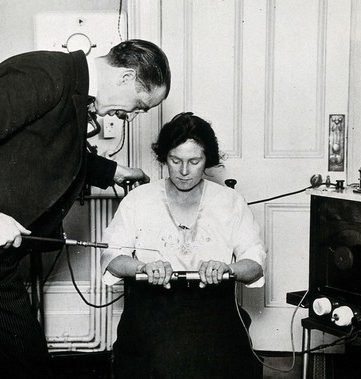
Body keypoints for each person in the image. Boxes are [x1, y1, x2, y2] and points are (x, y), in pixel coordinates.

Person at [0, 39, 171, 379]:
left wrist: (111, 172)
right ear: (126, 77)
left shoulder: (74, 87)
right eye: (141, 105)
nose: (133, 117)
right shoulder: (47, 74)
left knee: (25, 358)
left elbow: (43, 147)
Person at [101, 112, 267, 378]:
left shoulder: (230, 202)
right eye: (175, 160)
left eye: (194, 161)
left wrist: (227, 268)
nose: (184, 171)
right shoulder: (139, 200)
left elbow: (255, 266)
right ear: (164, 157)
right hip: (151, 311)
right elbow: (112, 258)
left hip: (213, 310)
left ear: (207, 160)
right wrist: (143, 267)